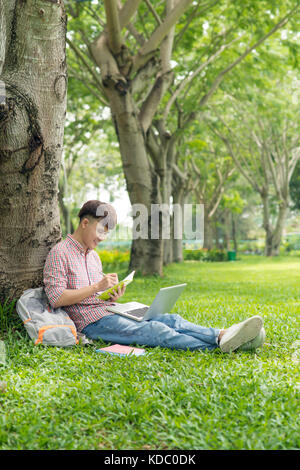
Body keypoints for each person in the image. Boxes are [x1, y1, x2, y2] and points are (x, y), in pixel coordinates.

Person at [43, 200, 265, 353]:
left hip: (109, 311)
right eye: (102, 230)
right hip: (90, 323)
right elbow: (56, 298)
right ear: (85, 223)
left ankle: (222, 334)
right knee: (155, 330)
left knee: (169, 319)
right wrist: (96, 287)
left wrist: (111, 295)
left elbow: (97, 294)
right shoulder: (59, 253)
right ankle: (222, 345)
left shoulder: (93, 257)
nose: (102, 238)